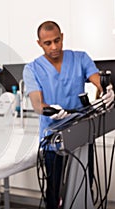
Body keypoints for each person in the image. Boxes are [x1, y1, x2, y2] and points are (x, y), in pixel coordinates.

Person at [23, 20, 114, 209]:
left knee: (83, 184)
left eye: (57, 40)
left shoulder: (80, 58)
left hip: (81, 134)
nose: (54, 47)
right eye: (48, 43)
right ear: (39, 43)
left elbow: (97, 80)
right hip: (53, 138)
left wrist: (107, 89)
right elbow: (37, 103)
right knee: (53, 190)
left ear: (62, 37)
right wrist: (51, 110)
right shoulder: (32, 69)